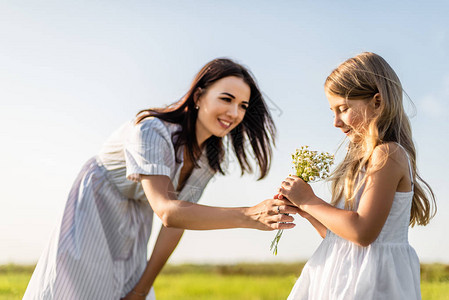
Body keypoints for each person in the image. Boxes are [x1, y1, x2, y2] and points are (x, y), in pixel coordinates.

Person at [24, 58, 299, 300]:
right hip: (95, 208)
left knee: (128, 289)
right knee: (74, 289)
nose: (234, 113)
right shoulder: (151, 130)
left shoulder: (207, 159)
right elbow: (167, 211)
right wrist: (249, 215)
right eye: (226, 99)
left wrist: (141, 290)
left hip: (136, 217)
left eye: (242, 106)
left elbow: (176, 223)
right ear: (199, 96)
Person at [278, 52, 436, 299]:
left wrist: (310, 200)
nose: (336, 122)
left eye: (343, 109)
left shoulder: (388, 154)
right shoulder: (361, 160)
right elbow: (343, 237)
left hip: (371, 284)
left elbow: (362, 232)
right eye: (332, 111)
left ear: (377, 102)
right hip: (341, 278)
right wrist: (306, 210)